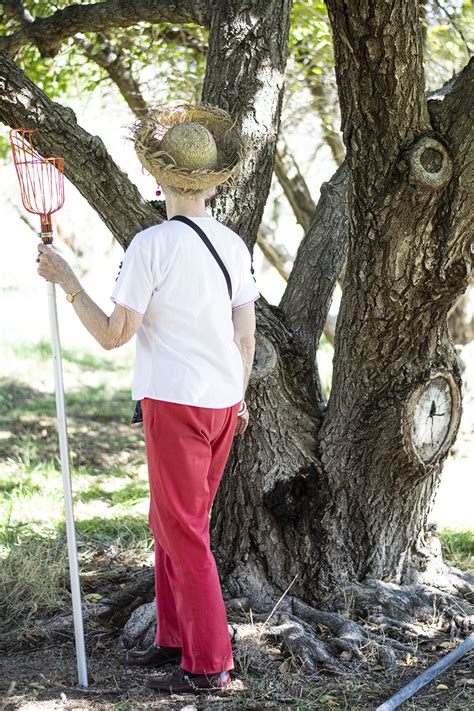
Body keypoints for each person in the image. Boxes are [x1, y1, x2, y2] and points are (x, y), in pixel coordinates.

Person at [36, 104, 259, 693]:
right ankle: (173, 638)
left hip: (175, 403)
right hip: (222, 405)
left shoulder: (151, 245)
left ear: (158, 181)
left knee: (182, 530)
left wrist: (68, 281)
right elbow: (245, 335)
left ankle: (210, 666)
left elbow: (113, 335)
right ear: (211, 183)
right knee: (173, 523)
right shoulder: (233, 246)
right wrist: (237, 396)